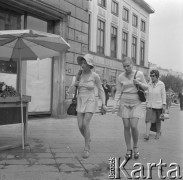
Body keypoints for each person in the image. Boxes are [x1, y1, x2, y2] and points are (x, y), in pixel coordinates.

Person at [68, 54, 106, 159]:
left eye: (85, 63)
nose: (83, 65)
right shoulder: (78, 75)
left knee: (85, 123)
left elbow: (101, 89)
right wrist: (74, 83)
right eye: (82, 62)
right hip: (80, 100)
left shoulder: (95, 76)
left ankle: (86, 148)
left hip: (90, 100)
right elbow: (70, 91)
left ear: (90, 65)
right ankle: (87, 138)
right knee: (80, 126)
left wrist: (104, 103)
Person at [112, 57, 148, 160]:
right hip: (124, 102)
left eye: (128, 65)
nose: (126, 68)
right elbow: (118, 91)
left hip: (136, 102)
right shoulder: (120, 77)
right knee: (126, 126)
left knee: (133, 125)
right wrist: (115, 104)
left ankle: (135, 147)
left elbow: (146, 87)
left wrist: (139, 83)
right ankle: (129, 149)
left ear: (132, 64)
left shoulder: (139, 74)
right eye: (124, 66)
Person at [144, 69, 166, 140]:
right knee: (148, 119)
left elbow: (163, 95)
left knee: (157, 120)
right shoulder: (149, 84)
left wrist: (164, 104)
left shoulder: (161, 84)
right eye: (150, 75)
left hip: (158, 105)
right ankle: (147, 135)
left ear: (157, 76)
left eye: (153, 76)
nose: (151, 77)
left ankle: (158, 133)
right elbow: (147, 94)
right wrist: (147, 103)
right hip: (150, 105)